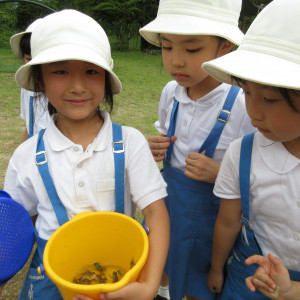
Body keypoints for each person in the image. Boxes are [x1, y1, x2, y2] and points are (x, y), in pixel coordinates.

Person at [4, 9, 170, 300]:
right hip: (50, 283)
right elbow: (17, 226)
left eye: (91, 71)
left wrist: (148, 286)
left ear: (106, 78)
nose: (77, 86)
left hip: (120, 280)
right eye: (60, 71)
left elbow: (156, 214)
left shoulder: (129, 143)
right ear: (40, 79)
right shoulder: (26, 156)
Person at [139, 1, 255, 299]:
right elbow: (165, 132)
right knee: (164, 253)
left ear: (224, 47)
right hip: (170, 204)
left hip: (212, 216)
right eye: (167, 48)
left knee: (198, 277)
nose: (176, 61)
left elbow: (258, 169)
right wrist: (155, 146)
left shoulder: (243, 103)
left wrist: (221, 173)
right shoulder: (171, 93)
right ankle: (163, 290)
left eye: (191, 50)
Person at [202, 0, 300, 298]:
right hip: (246, 278)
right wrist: (217, 268)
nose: (253, 112)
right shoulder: (242, 153)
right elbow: (228, 221)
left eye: (270, 99)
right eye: (246, 92)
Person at [10, 19, 52, 142]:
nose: (35, 67)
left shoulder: (64, 92)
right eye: (29, 59)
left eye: (41, 59)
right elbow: (29, 126)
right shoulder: (26, 86)